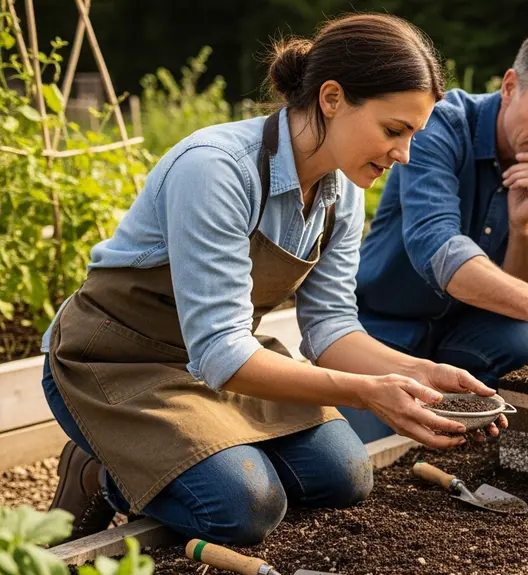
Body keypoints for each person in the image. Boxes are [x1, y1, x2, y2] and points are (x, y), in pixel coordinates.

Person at [41, 13, 503, 547]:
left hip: (221, 358)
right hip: (117, 361)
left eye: (413, 135)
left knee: (344, 476)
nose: (403, 154)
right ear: (331, 98)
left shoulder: (342, 193)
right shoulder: (216, 169)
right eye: (393, 130)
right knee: (242, 509)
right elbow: (220, 351)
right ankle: (100, 472)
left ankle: (201, 458)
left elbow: (330, 328)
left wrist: (424, 377)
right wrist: (366, 394)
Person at [349, 26, 528, 433]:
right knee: (365, 450)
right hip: (385, 324)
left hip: (470, 332)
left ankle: (464, 410)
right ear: (510, 86)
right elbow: (437, 247)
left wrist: (522, 228)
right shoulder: (438, 126)